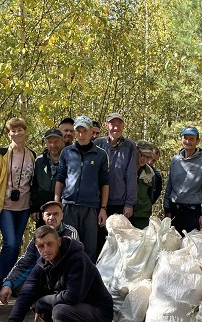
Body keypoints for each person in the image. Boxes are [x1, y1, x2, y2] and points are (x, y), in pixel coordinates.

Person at [0, 225, 114, 322]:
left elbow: (72, 297)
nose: (45, 250)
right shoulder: (42, 264)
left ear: (59, 242)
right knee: (36, 299)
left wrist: (42, 302)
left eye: (50, 244)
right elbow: (25, 295)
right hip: (77, 308)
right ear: (36, 247)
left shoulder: (78, 259)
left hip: (99, 313)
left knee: (59, 310)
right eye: (41, 246)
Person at [54, 115, 110, 261]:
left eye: (84, 131)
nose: (81, 134)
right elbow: (60, 179)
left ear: (91, 131)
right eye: (78, 131)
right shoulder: (66, 153)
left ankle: (86, 280)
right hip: (68, 206)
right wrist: (56, 203)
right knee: (67, 245)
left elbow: (104, 183)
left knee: (89, 248)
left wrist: (103, 208)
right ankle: (67, 280)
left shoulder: (100, 155)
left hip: (90, 207)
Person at [0, 201, 78, 301]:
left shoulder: (70, 233)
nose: (51, 217)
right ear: (43, 217)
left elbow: (70, 262)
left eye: (55, 214)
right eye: (48, 214)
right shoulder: (38, 235)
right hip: (43, 280)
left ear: (62, 216)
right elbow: (25, 263)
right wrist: (7, 284)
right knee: (16, 287)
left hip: (64, 281)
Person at [0, 117, 36, 279]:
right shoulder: (1, 155)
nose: (17, 133)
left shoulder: (32, 155)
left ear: (25, 131)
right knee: (10, 242)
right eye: (13, 131)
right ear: (9, 134)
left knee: (17, 245)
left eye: (20, 130)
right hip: (6, 205)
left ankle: (12, 280)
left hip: (24, 206)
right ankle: (1, 280)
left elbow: (33, 183)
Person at [93, 112, 137, 254]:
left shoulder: (130, 146)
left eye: (119, 125)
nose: (116, 128)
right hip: (98, 203)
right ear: (106, 125)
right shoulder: (98, 144)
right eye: (113, 124)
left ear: (123, 126)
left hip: (120, 202)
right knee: (99, 241)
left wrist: (129, 203)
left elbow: (131, 175)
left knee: (119, 243)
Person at [163, 126, 202, 236]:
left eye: (191, 139)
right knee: (172, 244)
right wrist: (167, 210)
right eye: (185, 138)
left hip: (193, 211)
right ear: (181, 140)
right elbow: (169, 186)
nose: (188, 141)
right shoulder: (175, 160)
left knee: (189, 246)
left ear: (197, 141)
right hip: (174, 209)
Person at [30, 127, 65, 228]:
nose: (53, 145)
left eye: (56, 141)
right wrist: (34, 208)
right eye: (50, 142)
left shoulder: (69, 159)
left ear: (62, 141)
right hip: (43, 207)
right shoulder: (40, 161)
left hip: (62, 206)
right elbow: (34, 185)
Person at [131, 140, 160, 229]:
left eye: (148, 157)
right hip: (124, 212)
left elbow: (151, 195)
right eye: (142, 155)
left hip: (141, 215)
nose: (144, 159)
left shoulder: (150, 173)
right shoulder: (125, 168)